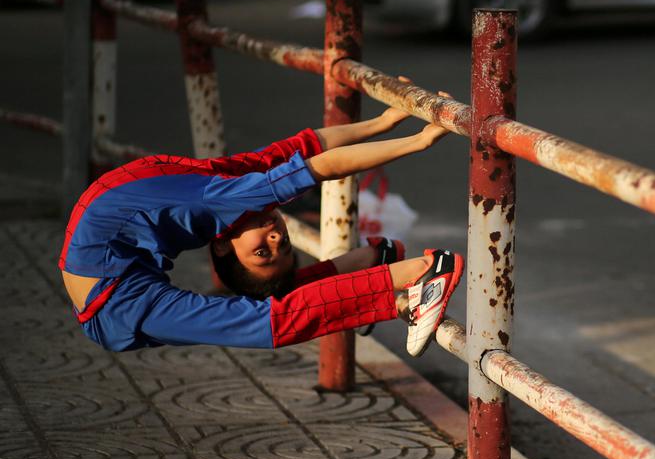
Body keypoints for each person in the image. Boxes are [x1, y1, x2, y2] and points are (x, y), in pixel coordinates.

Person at [59, 95, 464, 358]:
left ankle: (407, 271)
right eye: (281, 244)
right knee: (272, 313)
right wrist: (390, 126)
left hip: (112, 292)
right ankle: (393, 266)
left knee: (274, 317)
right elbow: (304, 153)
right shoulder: (218, 192)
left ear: (221, 246)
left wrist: (403, 133)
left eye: (262, 251)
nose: (275, 235)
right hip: (111, 289)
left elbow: (314, 159)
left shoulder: (221, 198)